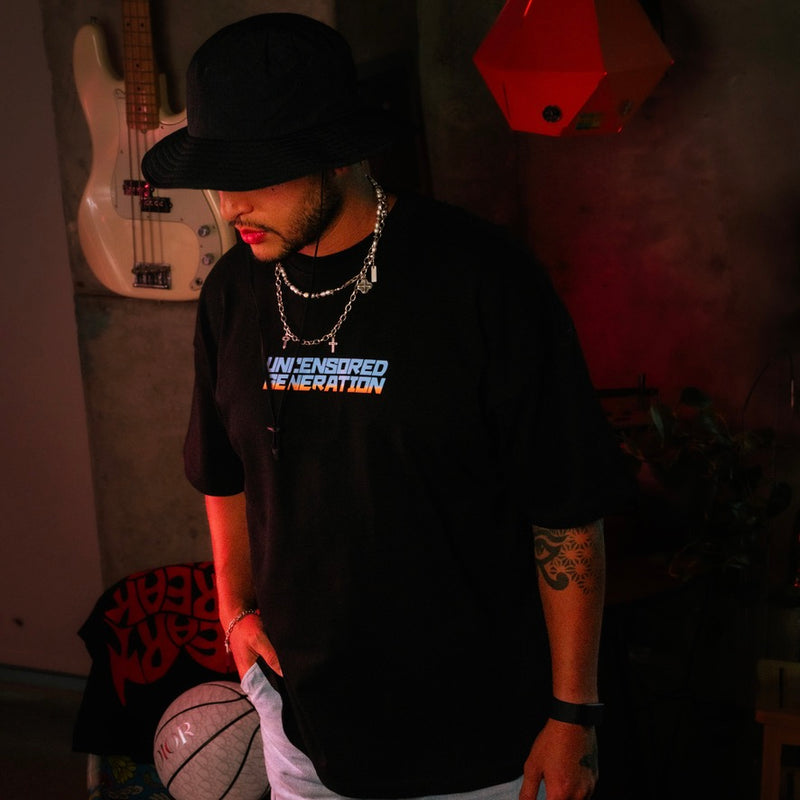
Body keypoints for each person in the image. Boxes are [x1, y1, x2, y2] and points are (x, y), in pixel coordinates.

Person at [142, 13, 633, 800]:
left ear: (338, 153)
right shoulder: (232, 290)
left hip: (481, 746)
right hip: (304, 733)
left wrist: (574, 712)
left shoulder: (483, 279)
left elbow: (567, 511)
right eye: (217, 177)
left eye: (255, 174)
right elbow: (222, 473)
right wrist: (235, 613)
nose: (228, 205)